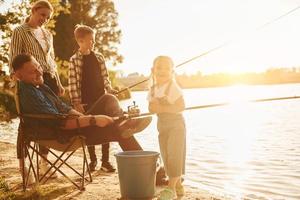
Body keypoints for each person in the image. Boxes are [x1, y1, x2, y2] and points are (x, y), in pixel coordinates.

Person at [12, 53, 152, 182]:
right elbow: (60, 123)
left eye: (38, 67)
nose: (39, 72)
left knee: (109, 98)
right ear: (19, 75)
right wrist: (93, 120)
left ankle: (122, 121)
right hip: (63, 135)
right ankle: (150, 171)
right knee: (120, 132)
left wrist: (86, 117)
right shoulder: (29, 94)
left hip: (71, 125)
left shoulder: (38, 86)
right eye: (32, 71)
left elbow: (64, 108)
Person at [9, 0, 65, 175]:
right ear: (33, 10)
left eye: (48, 18)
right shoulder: (20, 31)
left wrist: (58, 82)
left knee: (48, 122)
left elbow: (52, 61)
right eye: (42, 15)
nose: (44, 19)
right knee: (25, 123)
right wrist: (18, 84)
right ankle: (22, 165)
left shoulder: (48, 34)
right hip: (29, 80)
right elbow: (15, 59)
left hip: (49, 79)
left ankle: (44, 162)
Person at [68, 24, 118, 172]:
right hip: (85, 100)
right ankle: (93, 160)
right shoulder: (74, 60)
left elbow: (105, 78)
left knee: (106, 126)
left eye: (94, 40)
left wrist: (109, 89)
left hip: (101, 97)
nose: (93, 42)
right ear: (80, 41)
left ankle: (105, 161)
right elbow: (72, 83)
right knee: (89, 130)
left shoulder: (99, 57)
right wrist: (76, 103)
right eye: (90, 40)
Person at [147, 56, 186, 199]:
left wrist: (162, 107)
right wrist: (153, 106)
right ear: (153, 70)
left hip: (176, 124)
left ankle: (171, 189)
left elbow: (181, 106)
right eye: (159, 67)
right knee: (166, 155)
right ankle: (178, 185)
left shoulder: (173, 87)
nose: (162, 70)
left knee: (175, 154)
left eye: (166, 68)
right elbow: (151, 108)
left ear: (172, 71)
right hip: (162, 125)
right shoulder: (152, 89)